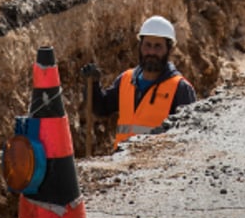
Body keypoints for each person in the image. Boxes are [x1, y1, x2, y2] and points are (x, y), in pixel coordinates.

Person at [83, 15, 197, 149]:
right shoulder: (126, 79)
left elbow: (188, 135)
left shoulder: (180, 89)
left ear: (169, 50)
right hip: (121, 162)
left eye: (158, 46)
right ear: (140, 46)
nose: (151, 52)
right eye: (147, 45)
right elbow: (101, 108)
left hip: (156, 166)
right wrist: (93, 85)